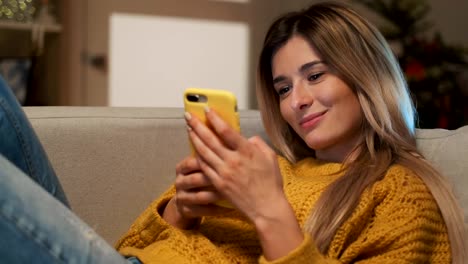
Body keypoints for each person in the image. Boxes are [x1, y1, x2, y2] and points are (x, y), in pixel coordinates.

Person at [0, 1, 465, 263]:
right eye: (283, 87)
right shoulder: (269, 165)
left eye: (316, 75)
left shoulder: (401, 197)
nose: (295, 101)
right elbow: (126, 250)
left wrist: (268, 210)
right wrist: (182, 210)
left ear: (366, 75)